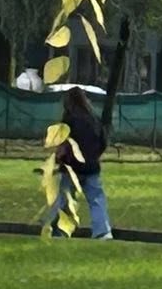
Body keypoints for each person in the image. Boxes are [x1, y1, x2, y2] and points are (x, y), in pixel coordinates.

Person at [46, 88, 113, 240]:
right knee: (96, 200)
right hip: (91, 167)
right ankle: (102, 232)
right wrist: (94, 156)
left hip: (71, 168)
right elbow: (103, 142)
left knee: (64, 200)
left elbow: (62, 145)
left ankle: (60, 231)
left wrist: (58, 160)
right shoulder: (94, 119)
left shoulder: (68, 121)